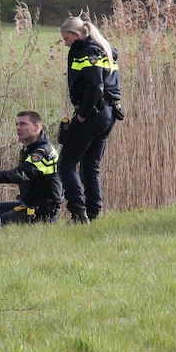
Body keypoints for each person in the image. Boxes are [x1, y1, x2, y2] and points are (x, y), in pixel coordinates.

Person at [58, 15, 122, 223]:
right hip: (109, 115)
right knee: (89, 165)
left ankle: (78, 212)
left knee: (66, 164)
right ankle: (93, 213)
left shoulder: (88, 51)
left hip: (94, 114)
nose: (66, 44)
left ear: (76, 35)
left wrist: (82, 115)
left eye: (66, 39)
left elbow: (95, 86)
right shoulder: (103, 49)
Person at [0, 111, 63, 224]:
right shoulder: (32, 148)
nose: (18, 128)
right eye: (17, 124)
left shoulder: (43, 153)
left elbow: (20, 174)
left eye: (23, 124)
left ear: (36, 127)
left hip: (40, 214)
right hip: (28, 205)